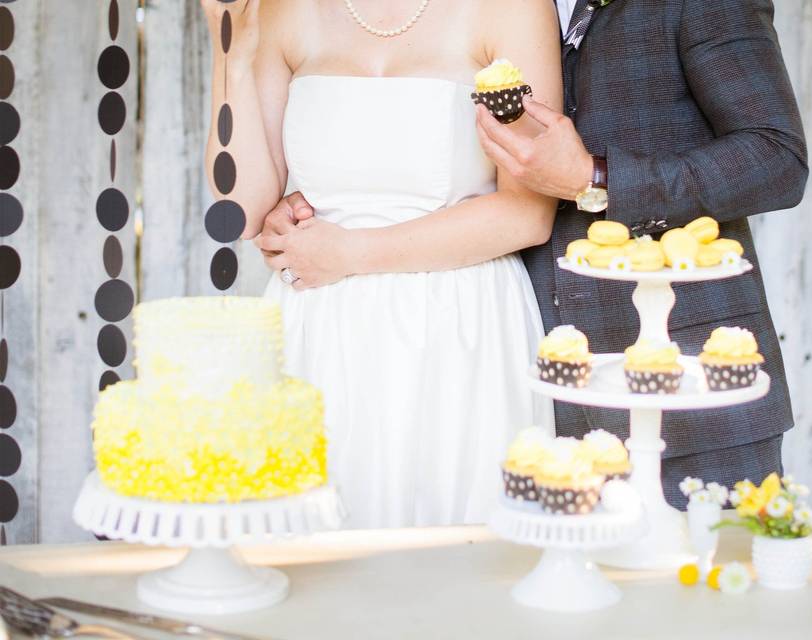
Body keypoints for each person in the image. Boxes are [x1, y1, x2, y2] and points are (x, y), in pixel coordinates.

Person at [201, 0, 562, 527]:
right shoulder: (280, 11)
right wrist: (230, 55)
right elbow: (242, 208)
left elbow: (525, 215)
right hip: (316, 327)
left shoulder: (512, 9)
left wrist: (351, 253)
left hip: (461, 330)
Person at [475, 0, 808, 507]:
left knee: (700, 581)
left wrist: (597, 179)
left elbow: (776, 157)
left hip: (689, 393)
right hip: (521, 386)